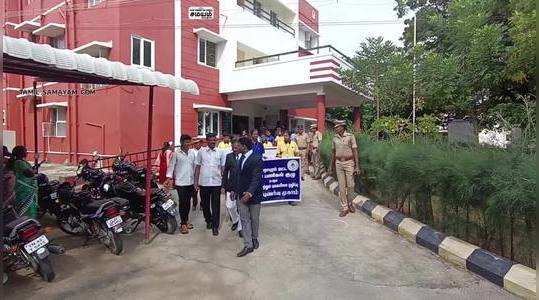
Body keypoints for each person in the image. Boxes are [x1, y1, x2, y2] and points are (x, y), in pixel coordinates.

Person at [232, 137, 263, 257]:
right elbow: (238, 177)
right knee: (244, 220)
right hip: (240, 195)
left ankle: (254, 238)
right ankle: (248, 244)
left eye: (238, 145)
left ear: (244, 147)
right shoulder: (240, 158)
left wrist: (249, 193)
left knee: (254, 219)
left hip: (254, 195)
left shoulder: (257, 158)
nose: (236, 147)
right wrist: (235, 190)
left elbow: (256, 178)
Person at [166, 135, 197, 234]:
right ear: (182, 142)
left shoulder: (192, 153)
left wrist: (196, 180)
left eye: (189, 142)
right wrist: (169, 178)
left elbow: (195, 166)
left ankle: (186, 221)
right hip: (180, 182)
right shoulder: (176, 154)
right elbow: (171, 166)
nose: (188, 144)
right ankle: (183, 224)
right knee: (183, 203)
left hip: (190, 182)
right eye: (186, 142)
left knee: (188, 203)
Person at [194, 133, 223, 236]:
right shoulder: (201, 152)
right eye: (210, 140)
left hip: (216, 183)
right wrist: (196, 182)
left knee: (216, 205)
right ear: (207, 141)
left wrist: (223, 183)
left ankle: (215, 226)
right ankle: (208, 220)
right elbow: (197, 167)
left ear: (216, 141)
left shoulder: (220, 152)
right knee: (205, 205)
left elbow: (222, 168)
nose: (212, 142)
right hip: (204, 183)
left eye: (214, 140)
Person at [330, 120, 360, 217]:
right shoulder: (334, 138)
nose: (335, 128)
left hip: (349, 163)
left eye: (337, 127)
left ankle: (350, 202)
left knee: (351, 185)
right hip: (339, 163)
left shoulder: (350, 136)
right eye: (335, 127)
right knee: (342, 187)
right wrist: (331, 166)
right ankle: (345, 207)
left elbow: (355, 150)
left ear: (342, 127)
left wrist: (357, 166)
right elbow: (333, 152)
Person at [8, 146, 38, 218]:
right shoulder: (19, 162)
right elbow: (29, 174)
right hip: (24, 190)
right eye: (25, 151)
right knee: (27, 209)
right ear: (21, 153)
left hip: (21, 189)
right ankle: (27, 223)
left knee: (22, 208)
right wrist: (33, 171)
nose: (27, 152)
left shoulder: (18, 162)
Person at [222, 140, 243, 237]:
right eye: (233, 147)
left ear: (240, 147)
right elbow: (225, 172)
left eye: (236, 147)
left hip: (242, 187)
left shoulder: (244, 156)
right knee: (230, 206)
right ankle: (236, 220)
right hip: (231, 186)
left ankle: (240, 228)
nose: (234, 149)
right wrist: (223, 186)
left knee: (241, 208)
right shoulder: (229, 156)